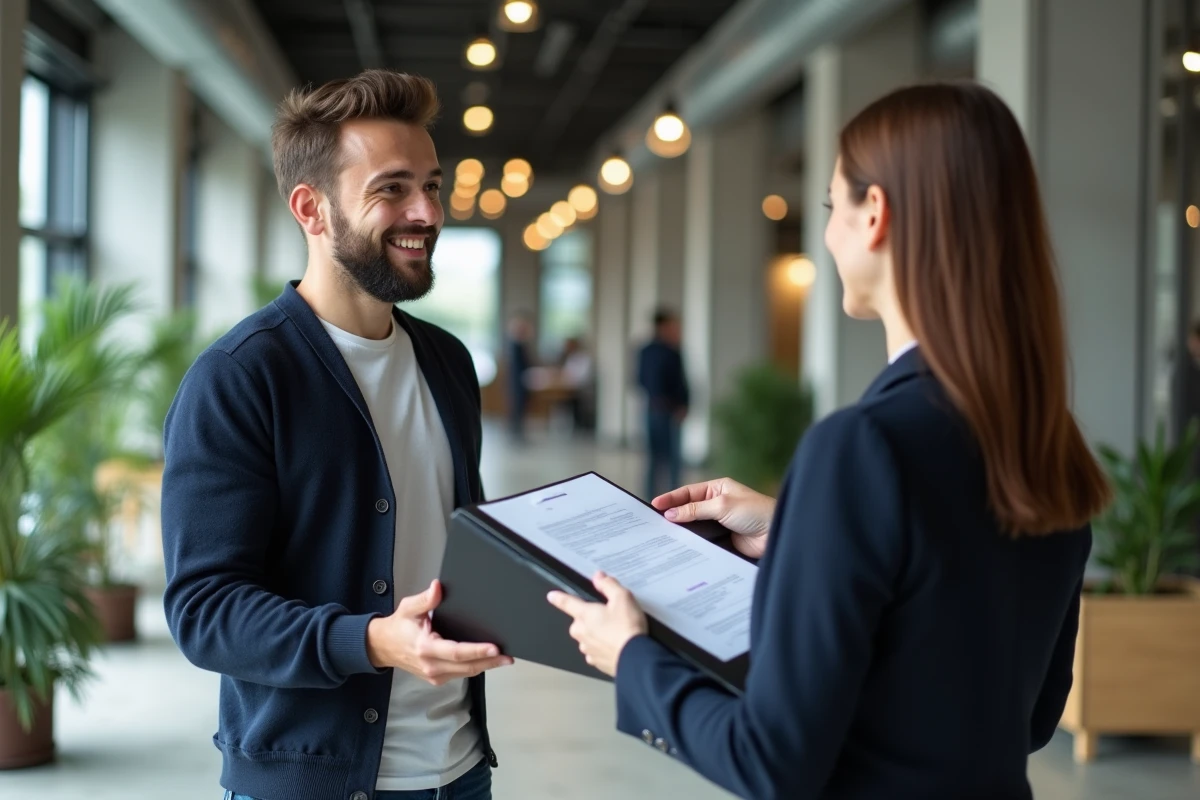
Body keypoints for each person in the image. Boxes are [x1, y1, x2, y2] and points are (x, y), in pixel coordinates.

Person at [548, 82, 1112, 799]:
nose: (826, 232)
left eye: (830, 207)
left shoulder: (861, 446)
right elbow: (1027, 718)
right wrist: (802, 532)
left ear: (873, 214)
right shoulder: (1049, 441)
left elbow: (768, 763)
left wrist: (630, 656)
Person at [161, 70, 512, 800]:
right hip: (312, 782)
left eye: (433, 185)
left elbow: (456, 546)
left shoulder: (447, 361)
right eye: (391, 189)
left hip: (459, 771)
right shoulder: (240, 378)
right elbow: (206, 610)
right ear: (311, 208)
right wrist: (373, 640)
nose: (426, 212)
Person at [636, 309, 689, 499]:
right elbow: (642, 380)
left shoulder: (671, 350)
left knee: (669, 459)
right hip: (660, 410)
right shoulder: (654, 351)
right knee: (660, 458)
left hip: (666, 410)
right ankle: (658, 497)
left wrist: (684, 404)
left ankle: (673, 497)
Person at [504, 312, 534, 442]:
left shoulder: (521, 345)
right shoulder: (516, 345)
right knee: (517, 408)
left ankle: (518, 433)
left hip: (521, 382)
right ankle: (516, 434)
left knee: (521, 408)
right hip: (517, 382)